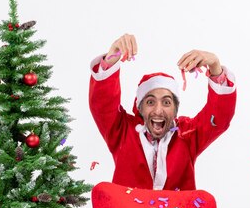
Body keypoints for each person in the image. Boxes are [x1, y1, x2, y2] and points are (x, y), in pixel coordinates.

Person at [89, 33, 237, 192]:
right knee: (102, 191)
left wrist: (215, 65)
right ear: (140, 108)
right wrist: (114, 54)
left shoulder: (188, 134)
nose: (158, 111)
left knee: (207, 201)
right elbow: (102, 105)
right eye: (150, 102)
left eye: (166, 102)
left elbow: (219, 117)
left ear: (175, 110)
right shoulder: (122, 132)